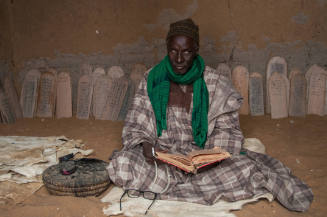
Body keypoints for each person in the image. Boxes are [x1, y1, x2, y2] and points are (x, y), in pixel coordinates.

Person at [107, 18, 313, 212]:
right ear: (167, 49)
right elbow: (136, 124)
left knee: (246, 169)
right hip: (162, 158)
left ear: (196, 49)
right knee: (122, 165)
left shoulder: (215, 83)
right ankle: (188, 188)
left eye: (186, 52)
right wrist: (146, 146)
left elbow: (228, 131)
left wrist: (208, 159)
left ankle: (171, 188)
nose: (179, 59)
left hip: (202, 160)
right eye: (173, 51)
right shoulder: (151, 79)